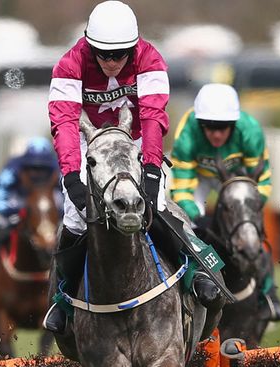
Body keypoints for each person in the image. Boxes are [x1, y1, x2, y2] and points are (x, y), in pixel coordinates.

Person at [43, 0, 223, 333]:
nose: (111, 62)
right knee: (74, 216)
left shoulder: (150, 59)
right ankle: (63, 300)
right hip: (89, 144)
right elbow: (65, 123)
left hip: (136, 141)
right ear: (89, 45)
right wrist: (71, 177)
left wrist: (152, 171)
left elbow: (154, 118)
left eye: (120, 54)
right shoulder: (69, 65)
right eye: (103, 54)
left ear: (134, 47)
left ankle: (196, 276)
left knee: (155, 205)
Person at [171, 83, 280, 321]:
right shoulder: (187, 133)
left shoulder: (250, 131)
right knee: (186, 225)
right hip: (199, 178)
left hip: (238, 178)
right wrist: (197, 216)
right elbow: (182, 186)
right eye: (209, 127)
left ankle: (268, 294)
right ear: (200, 123)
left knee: (250, 229)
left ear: (234, 124)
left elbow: (262, 182)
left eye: (223, 127)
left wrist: (248, 211)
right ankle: (185, 286)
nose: (216, 134)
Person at [0, 137, 62, 276]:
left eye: (42, 168)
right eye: (33, 168)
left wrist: (59, 212)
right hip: (19, 203)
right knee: (3, 226)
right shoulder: (13, 168)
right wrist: (15, 210)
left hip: (47, 205)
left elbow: (67, 196)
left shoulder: (58, 167)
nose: (38, 173)